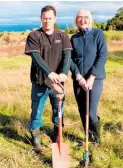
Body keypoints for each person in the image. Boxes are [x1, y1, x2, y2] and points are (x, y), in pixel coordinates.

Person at [25, 5, 72, 152]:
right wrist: (49, 73)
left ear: (55, 19)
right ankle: (37, 142)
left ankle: (56, 138)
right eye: (44, 18)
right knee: (36, 112)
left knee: (58, 111)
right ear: (41, 18)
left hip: (58, 84)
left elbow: (67, 56)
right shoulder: (34, 36)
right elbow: (36, 56)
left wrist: (64, 72)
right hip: (40, 82)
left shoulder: (63, 36)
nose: (47, 21)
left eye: (50, 18)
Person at [70, 8, 107, 144]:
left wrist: (91, 77)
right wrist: (78, 76)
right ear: (76, 20)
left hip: (95, 79)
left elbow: (102, 56)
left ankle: (96, 140)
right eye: (79, 17)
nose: (82, 19)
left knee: (91, 112)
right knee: (81, 109)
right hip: (78, 80)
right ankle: (87, 137)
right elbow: (70, 60)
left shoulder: (98, 34)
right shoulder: (74, 38)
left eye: (85, 16)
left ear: (90, 19)